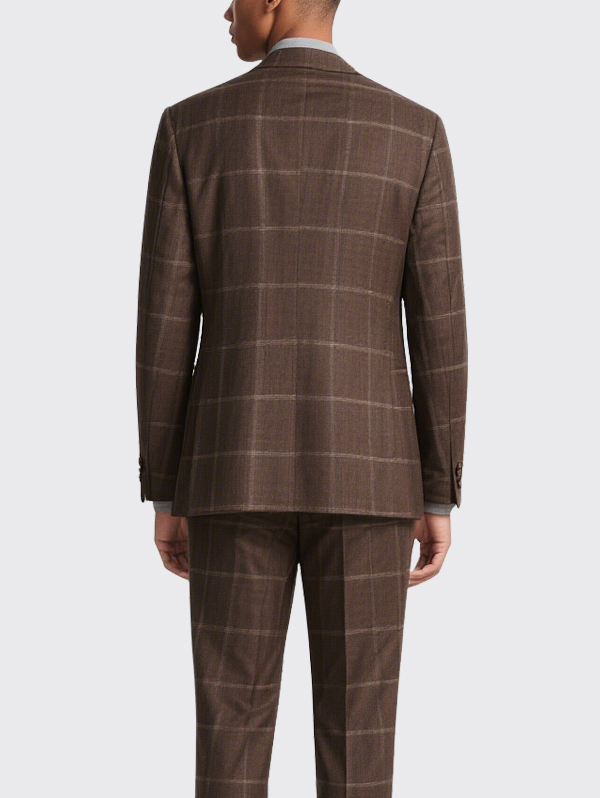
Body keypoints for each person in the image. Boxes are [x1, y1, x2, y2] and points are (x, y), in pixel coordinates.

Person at [135, 0, 467, 794]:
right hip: (371, 479)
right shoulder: (412, 132)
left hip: (230, 473)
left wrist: (167, 489)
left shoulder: (191, 129)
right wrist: (436, 489)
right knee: (360, 748)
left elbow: (163, 327)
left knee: (229, 737)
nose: (225, 10)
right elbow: (441, 327)